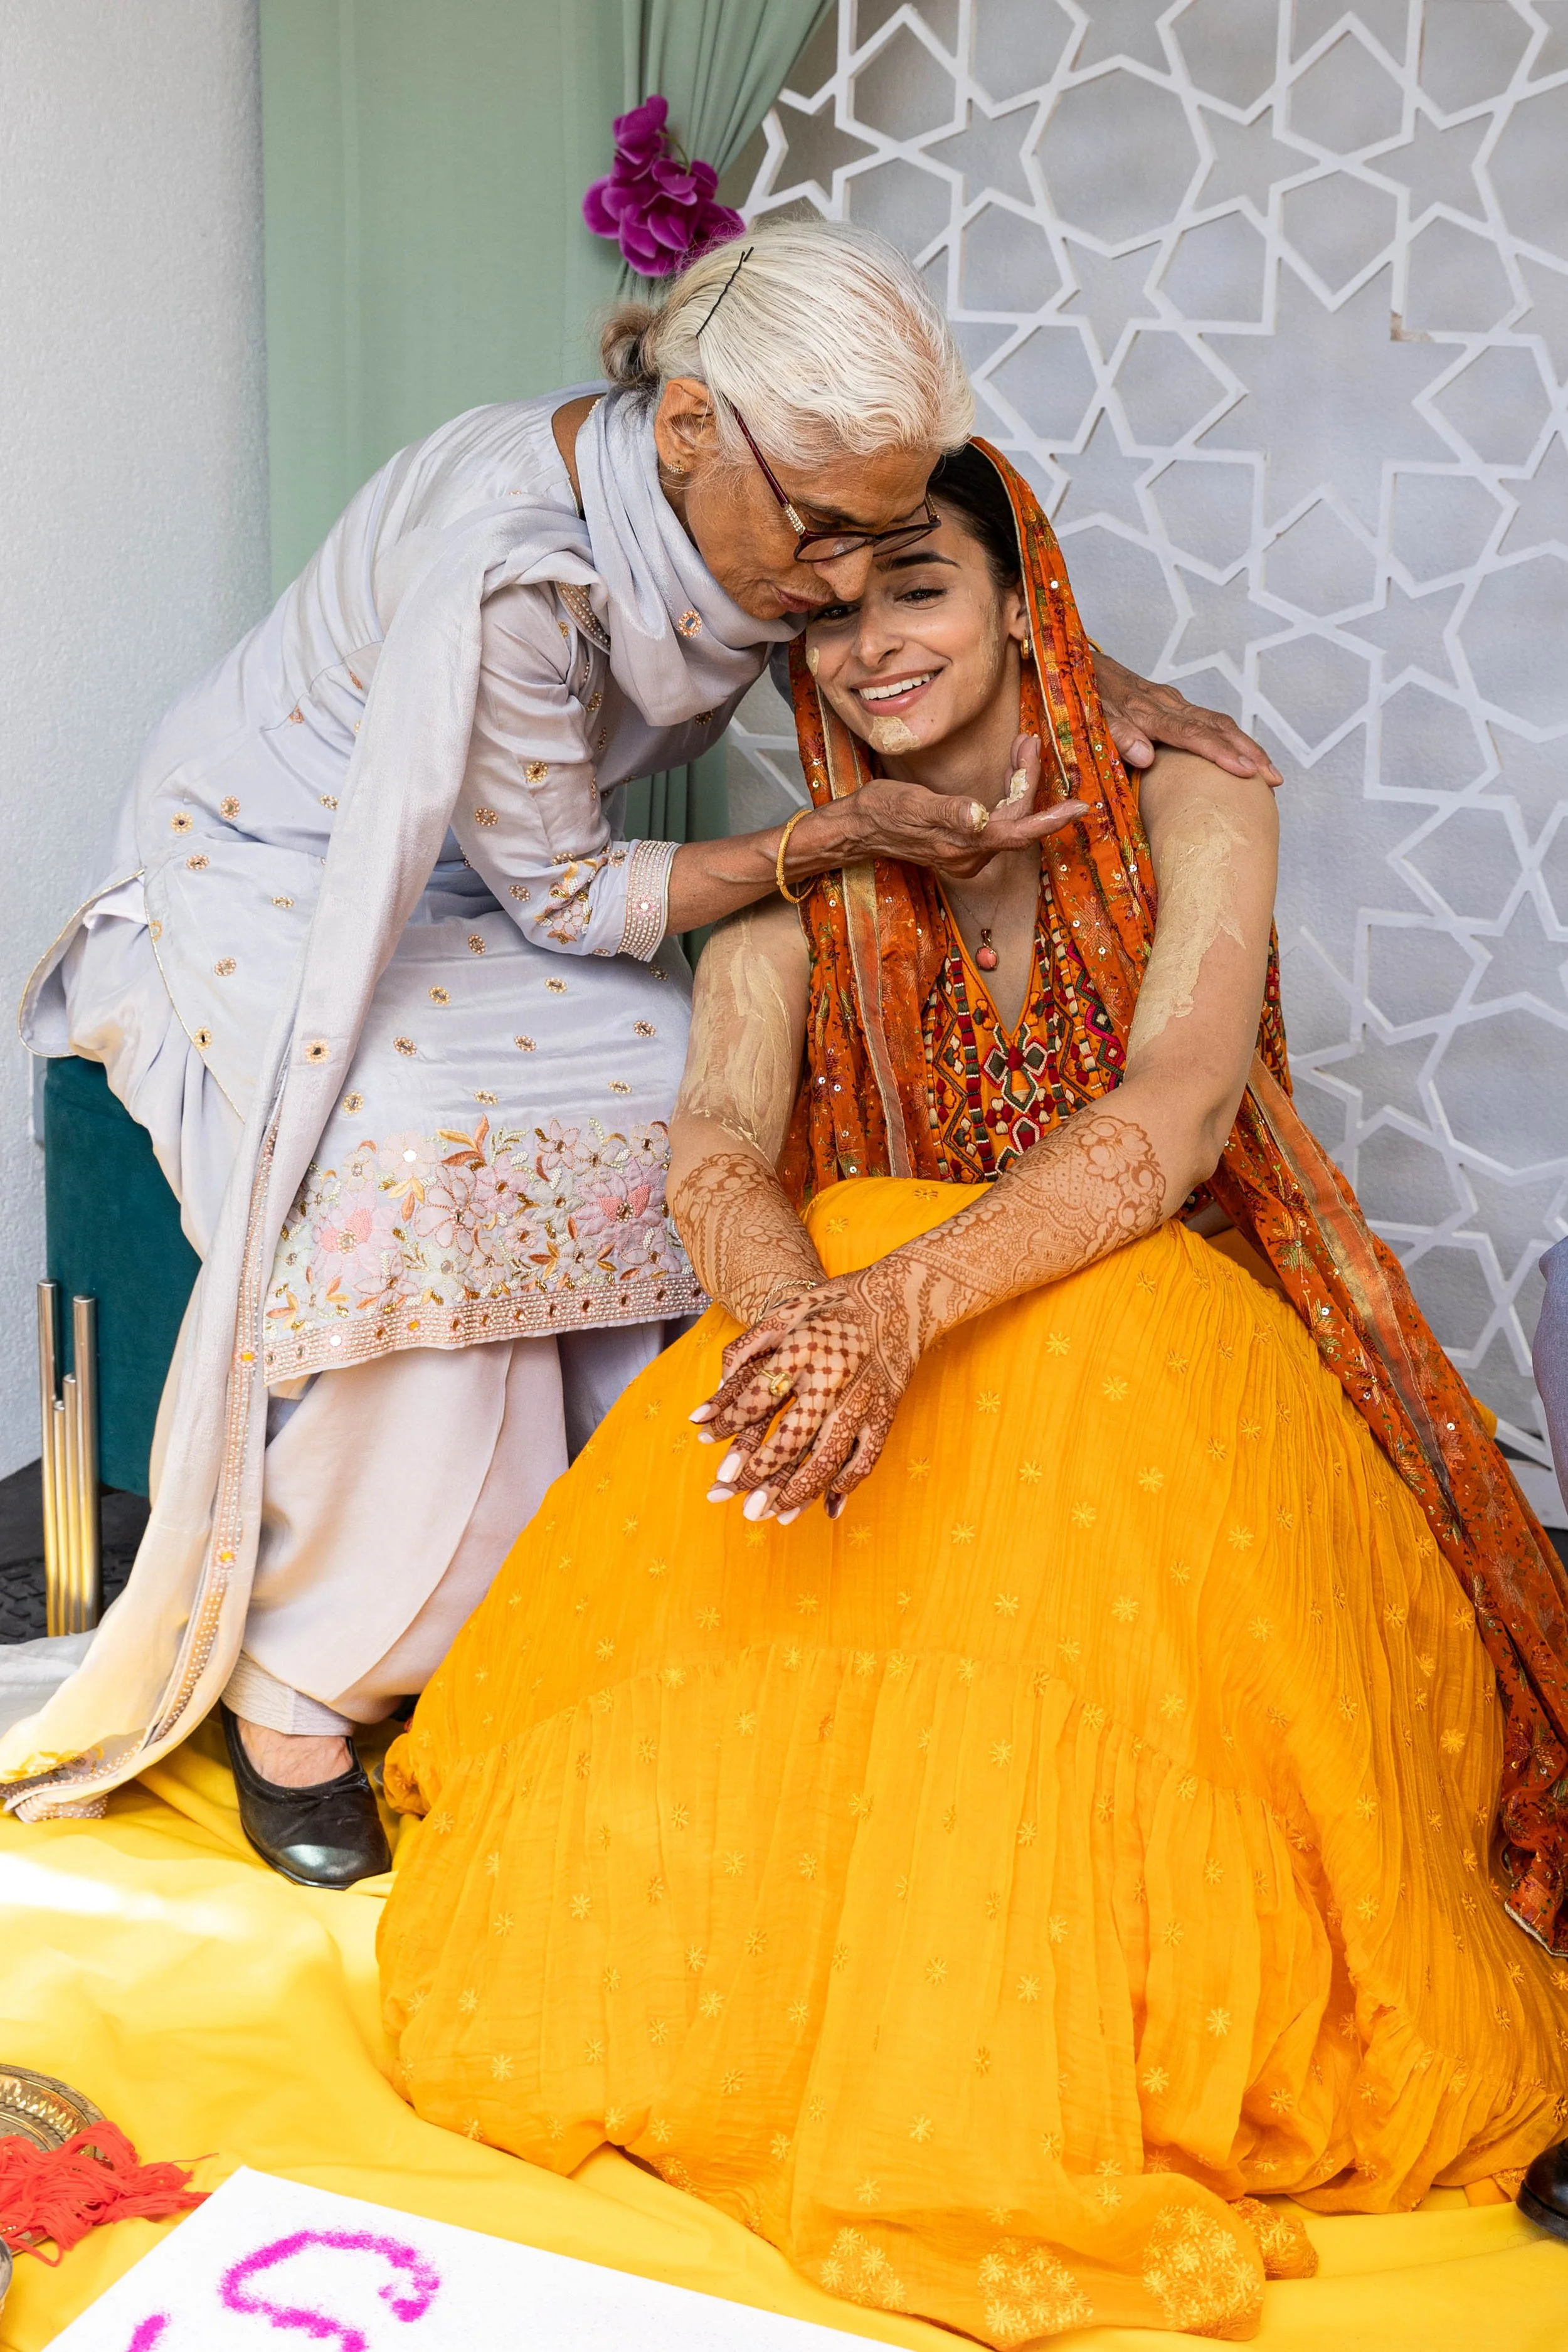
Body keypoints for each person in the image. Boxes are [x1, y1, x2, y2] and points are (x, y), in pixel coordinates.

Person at [377, 442, 1568, 2341]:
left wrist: (892, 1313)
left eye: (915, 588)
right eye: (826, 615)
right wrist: (797, 1323)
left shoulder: (1194, 790)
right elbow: (716, 1151)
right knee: (839, 1221)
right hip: (876, 1369)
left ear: (1024, 596)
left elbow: (1169, 1123)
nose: (868, 650)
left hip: (1163, 1345)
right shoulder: (806, 857)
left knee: (1078, 1318)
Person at [1, 224, 1269, 1885]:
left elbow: (926, 577)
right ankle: (301, 1678)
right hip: (278, 866)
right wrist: (826, 839)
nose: (833, 583)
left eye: (876, 541)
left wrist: (1086, 669)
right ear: (687, 433)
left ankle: (554, 1608)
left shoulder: (776, 506)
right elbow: (575, 892)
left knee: (658, 1084)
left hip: (490, 884)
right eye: (820, 534)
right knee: (423, 1135)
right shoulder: (520, 565)